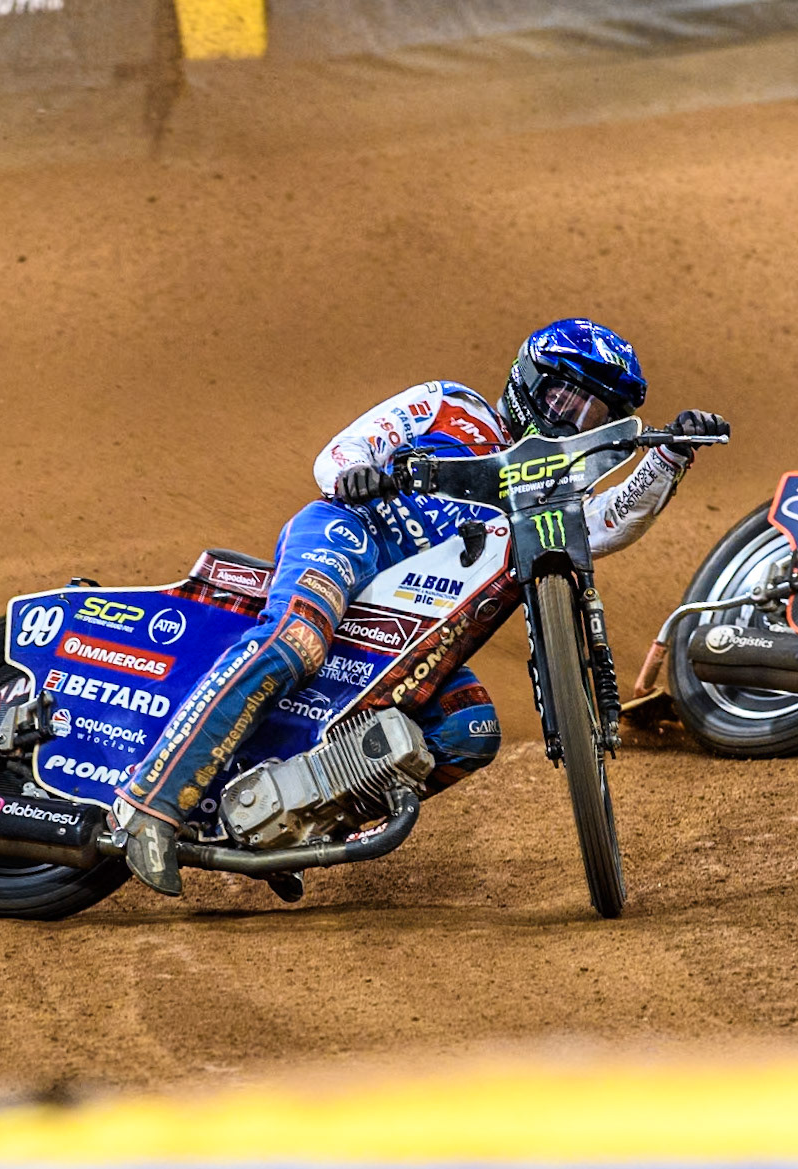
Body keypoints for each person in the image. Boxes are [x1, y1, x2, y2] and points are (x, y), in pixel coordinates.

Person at [113, 319, 728, 895]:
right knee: (296, 641)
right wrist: (357, 474)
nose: (573, 419)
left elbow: (601, 528)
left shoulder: (551, 499)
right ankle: (149, 805)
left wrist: (669, 459)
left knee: (471, 729)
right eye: (566, 397)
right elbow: (343, 453)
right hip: (353, 535)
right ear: (530, 381)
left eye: (594, 411)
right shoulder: (451, 403)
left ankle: (297, 831)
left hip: (413, 623)